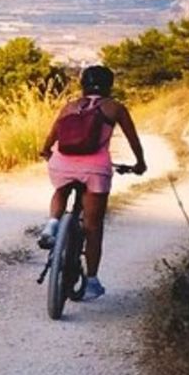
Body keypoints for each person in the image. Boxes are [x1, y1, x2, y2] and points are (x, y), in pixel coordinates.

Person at [38, 64, 146, 301]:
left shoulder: (69, 106)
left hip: (62, 163)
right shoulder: (115, 108)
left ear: (83, 85)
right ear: (110, 85)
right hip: (95, 168)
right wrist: (140, 163)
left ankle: (53, 223)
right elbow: (133, 139)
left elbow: (51, 136)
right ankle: (92, 281)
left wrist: (46, 151)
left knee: (61, 189)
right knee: (93, 226)